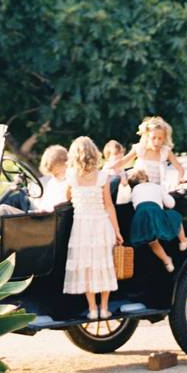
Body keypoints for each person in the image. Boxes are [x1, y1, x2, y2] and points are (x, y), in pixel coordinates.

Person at [63, 136, 123, 320]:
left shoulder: (71, 176)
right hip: (101, 224)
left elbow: (66, 198)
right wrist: (117, 230)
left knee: (87, 268)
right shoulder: (102, 177)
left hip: (82, 226)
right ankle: (104, 308)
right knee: (103, 265)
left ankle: (92, 309)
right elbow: (109, 205)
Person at [126, 168, 187, 272]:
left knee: (152, 242)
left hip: (141, 217)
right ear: (146, 178)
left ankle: (167, 261)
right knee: (175, 216)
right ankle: (183, 241)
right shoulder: (157, 187)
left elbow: (122, 199)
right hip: (155, 212)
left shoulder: (134, 190)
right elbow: (171, 204)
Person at [111, 116, 186, 189]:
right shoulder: (140, 148)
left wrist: (180, 180)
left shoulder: (166, 151)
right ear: (147, 136)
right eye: (153, 138)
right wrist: (108, 168)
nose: (156, 142)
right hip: (138, 188)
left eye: (160, 138)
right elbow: (122, 162)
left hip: (156, 189)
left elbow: (180, 168)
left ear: (164, 139)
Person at [32, 144, 69, 212]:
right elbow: (45, 204)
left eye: (56, 173)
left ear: (65, 163)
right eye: (52, 174)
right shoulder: (52, 182)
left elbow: (61, 206)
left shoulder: (70, 183)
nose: (54, 176)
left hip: (53, 218)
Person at [102, 139, 131, 204]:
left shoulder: (121, 168)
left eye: (121, 153)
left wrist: (123, 179)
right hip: (109, 191)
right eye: (116, 154)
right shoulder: (108, 167)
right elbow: (104, 179)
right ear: (108, 157)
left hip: (120, 192)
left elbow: (124, 181)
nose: (119, 156)